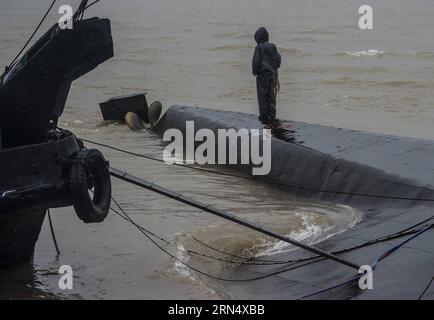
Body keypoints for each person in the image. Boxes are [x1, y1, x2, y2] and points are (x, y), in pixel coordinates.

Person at [252, 27, 281, 125]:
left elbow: (256, 62)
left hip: (262, 76)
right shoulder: (273, 46)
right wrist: (274, 68)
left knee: (262, 97)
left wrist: (255, 72)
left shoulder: (259, 47)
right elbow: (278, 60)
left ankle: (264, 117)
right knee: (271, 96)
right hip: (272, 75)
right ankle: (272, 115)